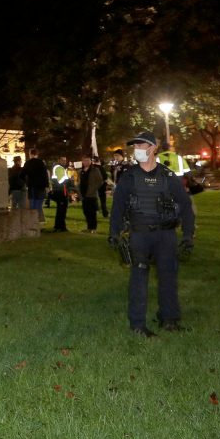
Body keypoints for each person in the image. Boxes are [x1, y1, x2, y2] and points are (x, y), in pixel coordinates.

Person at [108, 131, 195, 337]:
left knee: (168, 277)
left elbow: (185, 205)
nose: (137, 150)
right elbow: (118, 208)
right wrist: (114, 233)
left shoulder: (168, 177)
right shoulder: (129, 177)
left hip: (166, 235)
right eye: (135, 147)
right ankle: (137, 324)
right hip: (140, 235)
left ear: (153, 148)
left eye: (141, 146)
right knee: (139, 279)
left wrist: (188, 235)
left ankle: (169, 320)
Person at [22, 148, 49, 223]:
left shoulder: (28, 163)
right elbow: (45, 175)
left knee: (32, 204)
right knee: (38, 205)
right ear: (37, 154)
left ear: (30, 154)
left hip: (31, 187)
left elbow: (22, 174)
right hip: (40, 187)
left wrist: (26, 182)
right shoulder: (41, 163)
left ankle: (32, 222)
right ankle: (37, 221)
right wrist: (46, 186)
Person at [78, 155, 104, 233]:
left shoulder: (95, 170)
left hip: (91, 194)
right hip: (83, 194)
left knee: (92, 212)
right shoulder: (81, 171)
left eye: (87, 160)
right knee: (86, 211)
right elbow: (79, 182)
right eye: (84, 160)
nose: (86, 162)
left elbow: (100, 181)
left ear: (90, 161)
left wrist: (93, 189)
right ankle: (89, 227)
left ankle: (93, 228)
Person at [50, 156, 72, 232]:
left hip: (60, 190)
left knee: (60, 209)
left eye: (65, 160)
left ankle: (59, 226)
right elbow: (60, 181)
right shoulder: (59, 168)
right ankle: (61, 227)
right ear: (58, 160)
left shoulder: (58, 167)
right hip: (60, 191)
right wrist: (68, 179)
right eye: (62, 160)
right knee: (62, 209)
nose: (64, 161)